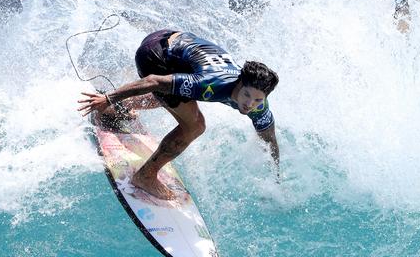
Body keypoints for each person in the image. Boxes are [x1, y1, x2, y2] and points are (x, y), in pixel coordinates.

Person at [78, 30, 280, 198]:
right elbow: (154, 82)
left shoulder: (259, 106)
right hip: (155, 54)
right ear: (239, 82)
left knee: (178, 94)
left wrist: (275, 174)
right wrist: (109, 97)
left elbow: (269, 136)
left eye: (257, 100)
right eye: (246, 95)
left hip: (174, 43)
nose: (249, 104)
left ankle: (113, 112)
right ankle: (145, 177)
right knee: (195, 125)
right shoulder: (210, 83)